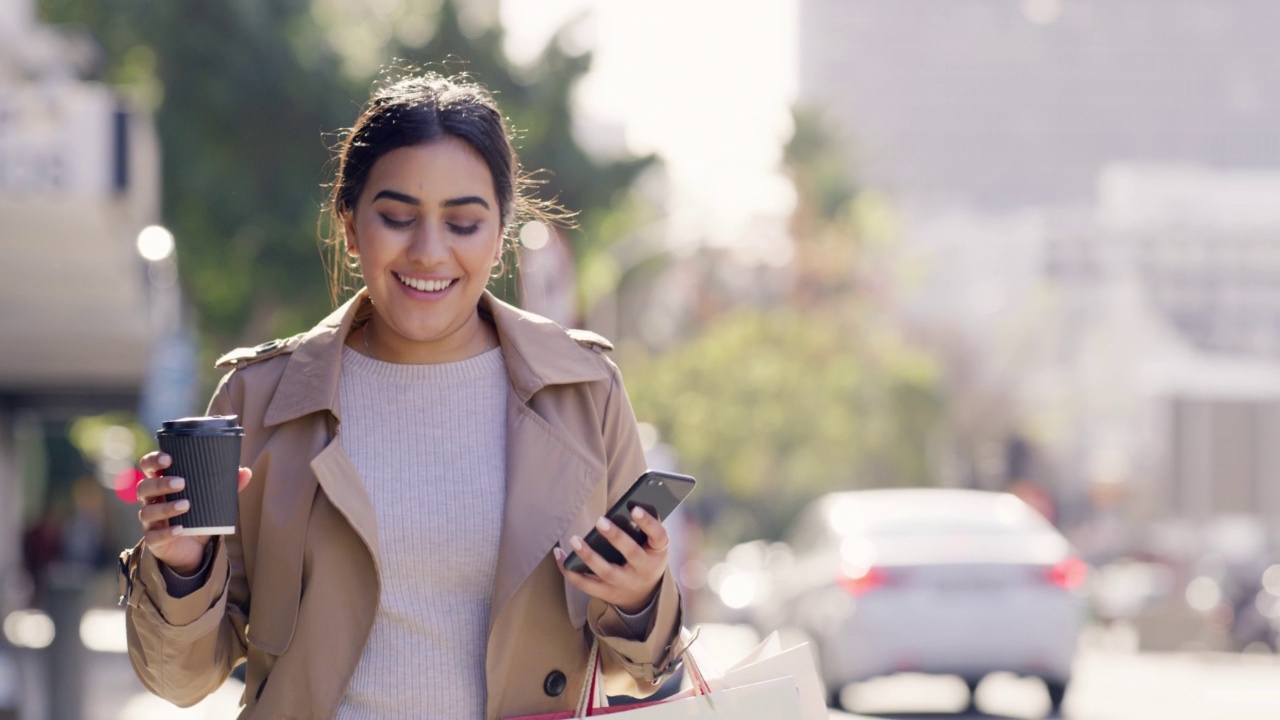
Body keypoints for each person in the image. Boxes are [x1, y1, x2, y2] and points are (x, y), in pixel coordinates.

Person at [118, 72, 685, 720]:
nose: (428, 251)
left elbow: (639, 675)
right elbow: (183, 681)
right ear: (350, 225)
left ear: (500, 235)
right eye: (396, 217)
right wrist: (183, 566)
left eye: (464, 223)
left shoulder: (584, 392)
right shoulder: (259, 399)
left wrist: (640, 596)